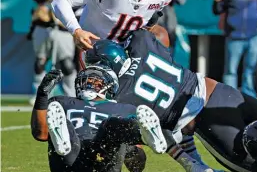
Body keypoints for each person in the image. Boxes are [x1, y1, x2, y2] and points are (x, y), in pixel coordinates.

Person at [86, 29, 257, 172]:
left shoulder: (121, 96)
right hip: (221, 91)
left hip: (204, 118)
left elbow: (139, 157)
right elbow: (158, 32)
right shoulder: (142, 43)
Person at [30, 66, 167, 172]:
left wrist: (129, 149)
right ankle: (62, 139)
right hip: (70, 158)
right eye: (88, 78)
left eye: (96, 80)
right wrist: (42, 94)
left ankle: (146, 137)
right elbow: (40, 134)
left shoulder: (124, 109)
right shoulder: (61, 102)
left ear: (110, 86)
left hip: (103, 159)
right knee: (65, 124)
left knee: (111, 125)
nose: (90, 82)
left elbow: (136, 167)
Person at [213, 0, 257, 98]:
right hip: (235, 34)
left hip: (253, 34)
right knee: (231, 70)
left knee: (250, 69)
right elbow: (218, 9)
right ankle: (230, 97)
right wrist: (217, 1)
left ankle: (250, 97)